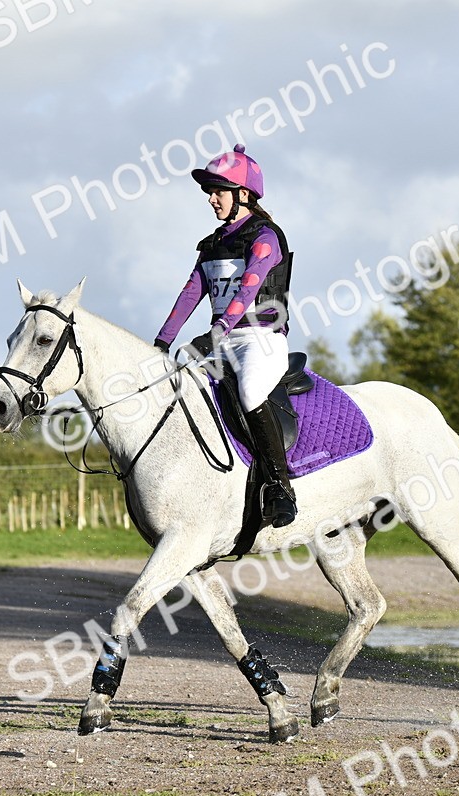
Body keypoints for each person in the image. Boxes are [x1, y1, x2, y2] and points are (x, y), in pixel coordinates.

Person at [153, 144, 297, 527]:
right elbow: (190, 294)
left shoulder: (266, 237)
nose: (211, 199)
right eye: (210, 192)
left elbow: (247, 289)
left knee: (249, 391)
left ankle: (281, 488)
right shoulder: (212, 245)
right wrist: (162, 342)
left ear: (244, 195)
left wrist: (215, 333)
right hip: (222, 341)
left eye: (218, 191)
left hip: (260, 339)